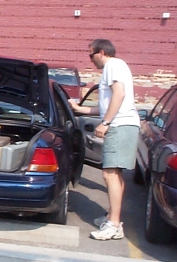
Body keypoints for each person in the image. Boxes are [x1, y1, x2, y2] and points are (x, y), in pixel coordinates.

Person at [68, 39, 140, 240]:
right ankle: (112, 217)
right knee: (115, 174)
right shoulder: (117, 67)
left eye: (90, 55)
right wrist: (80, 109)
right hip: (123, 123)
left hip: (119, 125)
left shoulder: (113, 65)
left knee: (109, 174)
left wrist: (106, 123)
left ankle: (114, 225)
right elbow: (108, 104)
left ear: (101, 52)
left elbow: (119, 94)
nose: (90, 60)